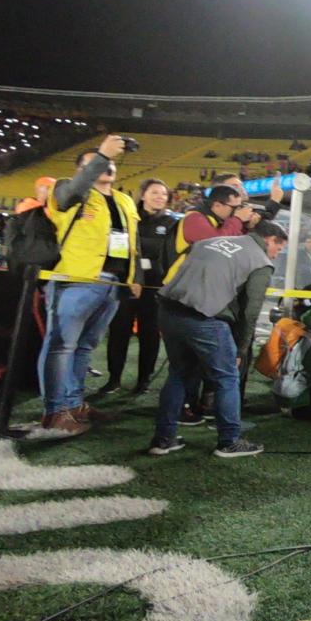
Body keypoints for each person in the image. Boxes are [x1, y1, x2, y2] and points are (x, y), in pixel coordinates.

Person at [148, 220, 288, 458]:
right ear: (269, 240)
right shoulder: (260, 261)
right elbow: (250, 312)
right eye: (278, 249)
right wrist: (240, 350)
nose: (276, 255)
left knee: (179, 374)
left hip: (168, 310)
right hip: (204, 318)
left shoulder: (208, 242)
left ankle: (163, 439)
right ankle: (229, 441)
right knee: (227, 377)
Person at [38, 136, 140, 436]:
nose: (106, 166)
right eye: (97, 163)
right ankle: (55, 411)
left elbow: (132, 246)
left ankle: (74, 403)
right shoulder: (66, 188)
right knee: (60, 347)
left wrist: (136, 278)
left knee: (84, 348)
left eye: (109, 162)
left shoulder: (124, 200)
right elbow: (70, 196)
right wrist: (101, 154)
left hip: (112, 284)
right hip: (74, 280)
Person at [103, 179, 174, 395]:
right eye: (154, 192)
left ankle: (143, 380)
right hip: (127, 283)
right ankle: (114, 378)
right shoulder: (129, 218)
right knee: (118, 332)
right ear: (142, 195)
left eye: (163, 194)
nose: (160, 197)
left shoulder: (171, 223)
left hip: (154, 287)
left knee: (149, 334)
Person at [163, 184, 255, 284]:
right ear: (217, 205)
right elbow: (216, 245)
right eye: (235, 207)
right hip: (181, 286)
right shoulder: (194, 219)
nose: (237, 211)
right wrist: (237, 219)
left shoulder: (220, 220)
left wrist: (247, 227)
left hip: (199, 283)